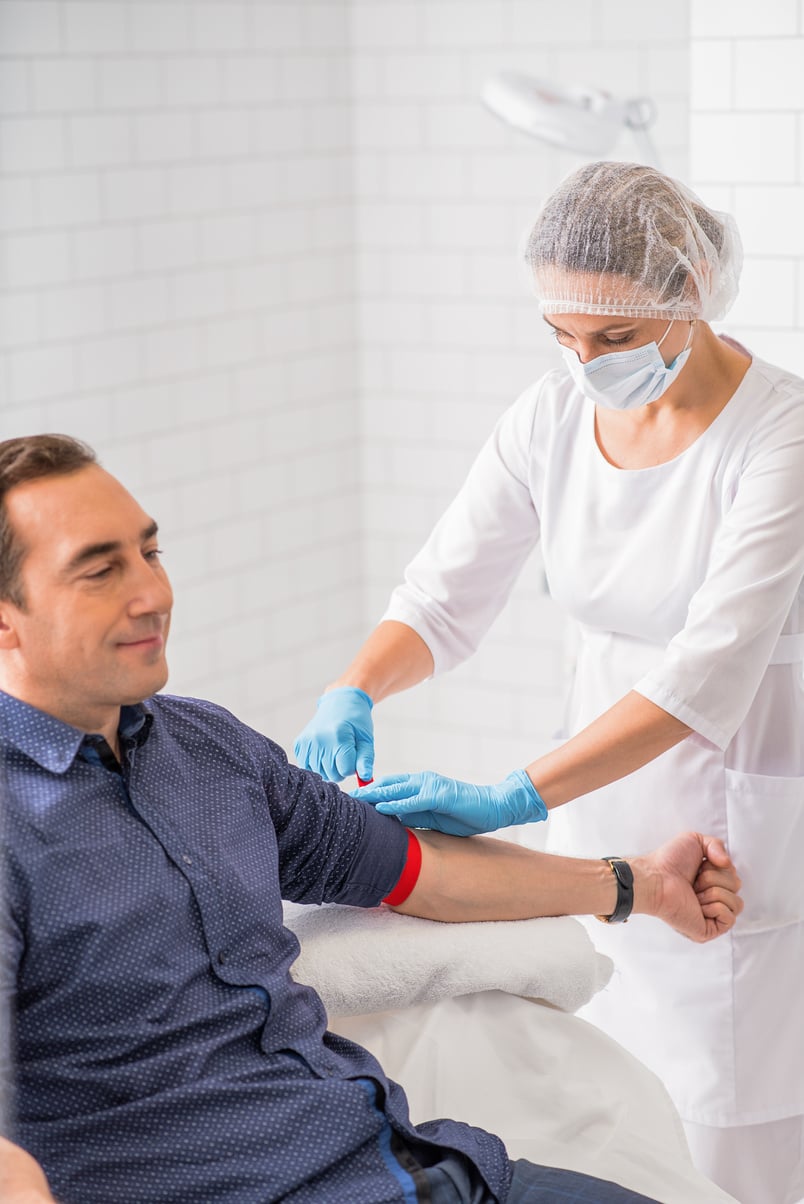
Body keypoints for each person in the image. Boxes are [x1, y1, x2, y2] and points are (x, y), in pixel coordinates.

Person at [0, 434, 742, 1204]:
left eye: (151, 554)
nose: (152, 594)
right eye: (100, 571)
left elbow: (421, 872)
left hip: (414, 1168)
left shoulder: (206, 748)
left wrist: (640, 884)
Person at [294, 160, 804, 1204]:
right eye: (562, 335)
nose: (584, 361)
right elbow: (442, 596)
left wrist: (512, 795)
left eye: (613, 337)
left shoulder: (780, 438)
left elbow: (703, 674)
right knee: (619, 1101)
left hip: (744, 811)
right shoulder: (553, 415)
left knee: (735, 1124)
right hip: (601, 800)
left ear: (689, 294)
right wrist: (354, 686)